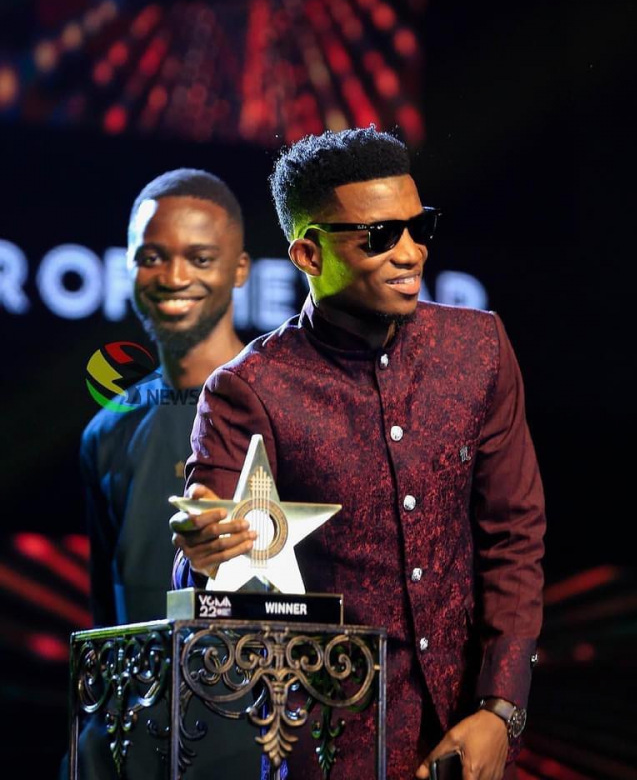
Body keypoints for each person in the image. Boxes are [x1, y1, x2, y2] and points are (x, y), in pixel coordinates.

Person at [171, 127, 546, 780]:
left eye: (419, 227)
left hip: (470, 741)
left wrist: (501, 708)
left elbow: (515, 535)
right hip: (326, 749)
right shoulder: (248, 390)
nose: (411, 253)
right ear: (308, 254)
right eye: (380, 236)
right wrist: (203, 556)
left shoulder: (480, 349)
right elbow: (203, 576)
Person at [74, 168, 257, 779]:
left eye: (199, 258)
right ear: (128, 265)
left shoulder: (292, 406)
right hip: (127, 751)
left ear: (239, 269)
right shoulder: (107, 431)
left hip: (264, 748)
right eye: (152, 257)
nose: (175, 277)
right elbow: (106, 620)